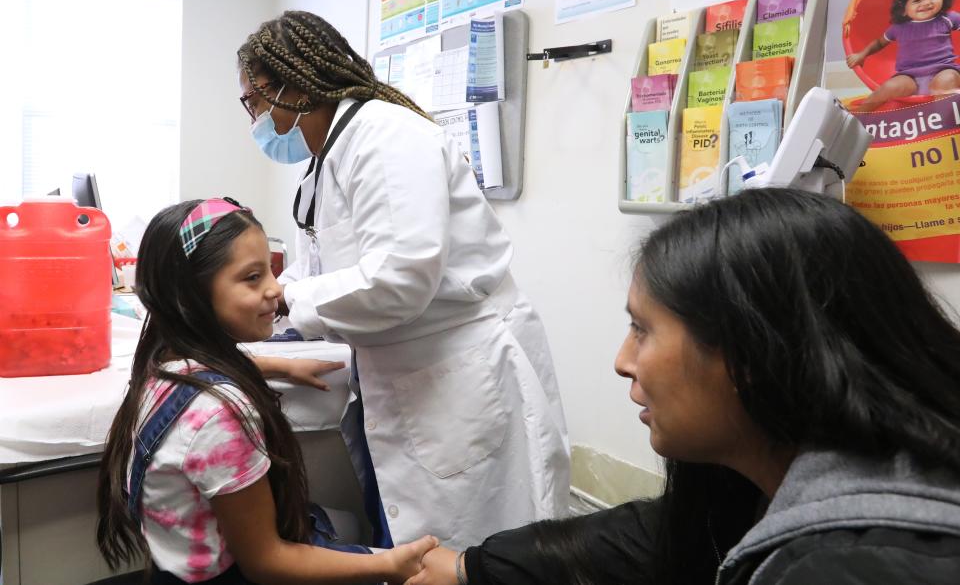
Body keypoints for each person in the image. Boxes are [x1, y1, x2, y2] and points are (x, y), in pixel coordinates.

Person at [405, 188, 960, 585]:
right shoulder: (800, 473)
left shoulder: (848, 564)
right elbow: (666, 533)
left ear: (753, 351)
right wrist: (476, 567)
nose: (623, 362)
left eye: (642, 329)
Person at [236, 10, 570, 550]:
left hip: (457, 371)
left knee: (480, 547)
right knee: (411, 545)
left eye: (252, 102)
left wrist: (280, 301)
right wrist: (261, 296)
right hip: (402, 368)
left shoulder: (385, 135)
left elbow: (399, 277)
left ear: (291, 88)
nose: (252, 119)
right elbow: (322, 266)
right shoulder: (328, 157)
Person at [96, 198, 438, 584]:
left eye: (270, 272)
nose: (277, 290)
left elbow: (212, 371)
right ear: (190, 296)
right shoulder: (219, 415)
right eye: (252, 278)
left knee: (343, 524)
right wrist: (391, 564)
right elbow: (267, 563)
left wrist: (279, 365)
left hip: (175, 566)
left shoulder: (161, 364)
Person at [846, 0, 960, 111]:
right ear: (904, 8)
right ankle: (861, 112)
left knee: (947, 80)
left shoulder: (948, 18)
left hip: (943, 69)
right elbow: (879, 43)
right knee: (891, 86)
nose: (927, 3)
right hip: (910, 76)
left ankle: (944, 116)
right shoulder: (899, 27)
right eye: (917, 0)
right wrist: (861, 55)